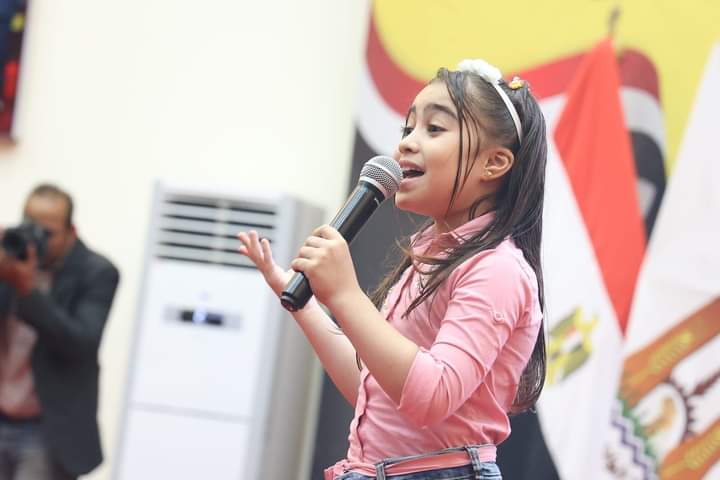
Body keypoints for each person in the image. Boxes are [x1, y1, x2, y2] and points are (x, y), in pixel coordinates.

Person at [238, 58, 547, 480]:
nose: (406, 145)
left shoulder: (496, 269)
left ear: (494, 163)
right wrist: (306, 303)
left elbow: (431, 395)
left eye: (433, 129)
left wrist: (345, 294)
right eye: (408, 129)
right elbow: (375, 388)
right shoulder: (432, 255)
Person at [0, 184, 119, 480]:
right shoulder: (10, 259)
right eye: (29, 227)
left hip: (47, 429)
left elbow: (81, 343)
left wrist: (27, 290)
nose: (35, 240)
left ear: (71, 232)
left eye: (47, 233)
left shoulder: (97, 272)